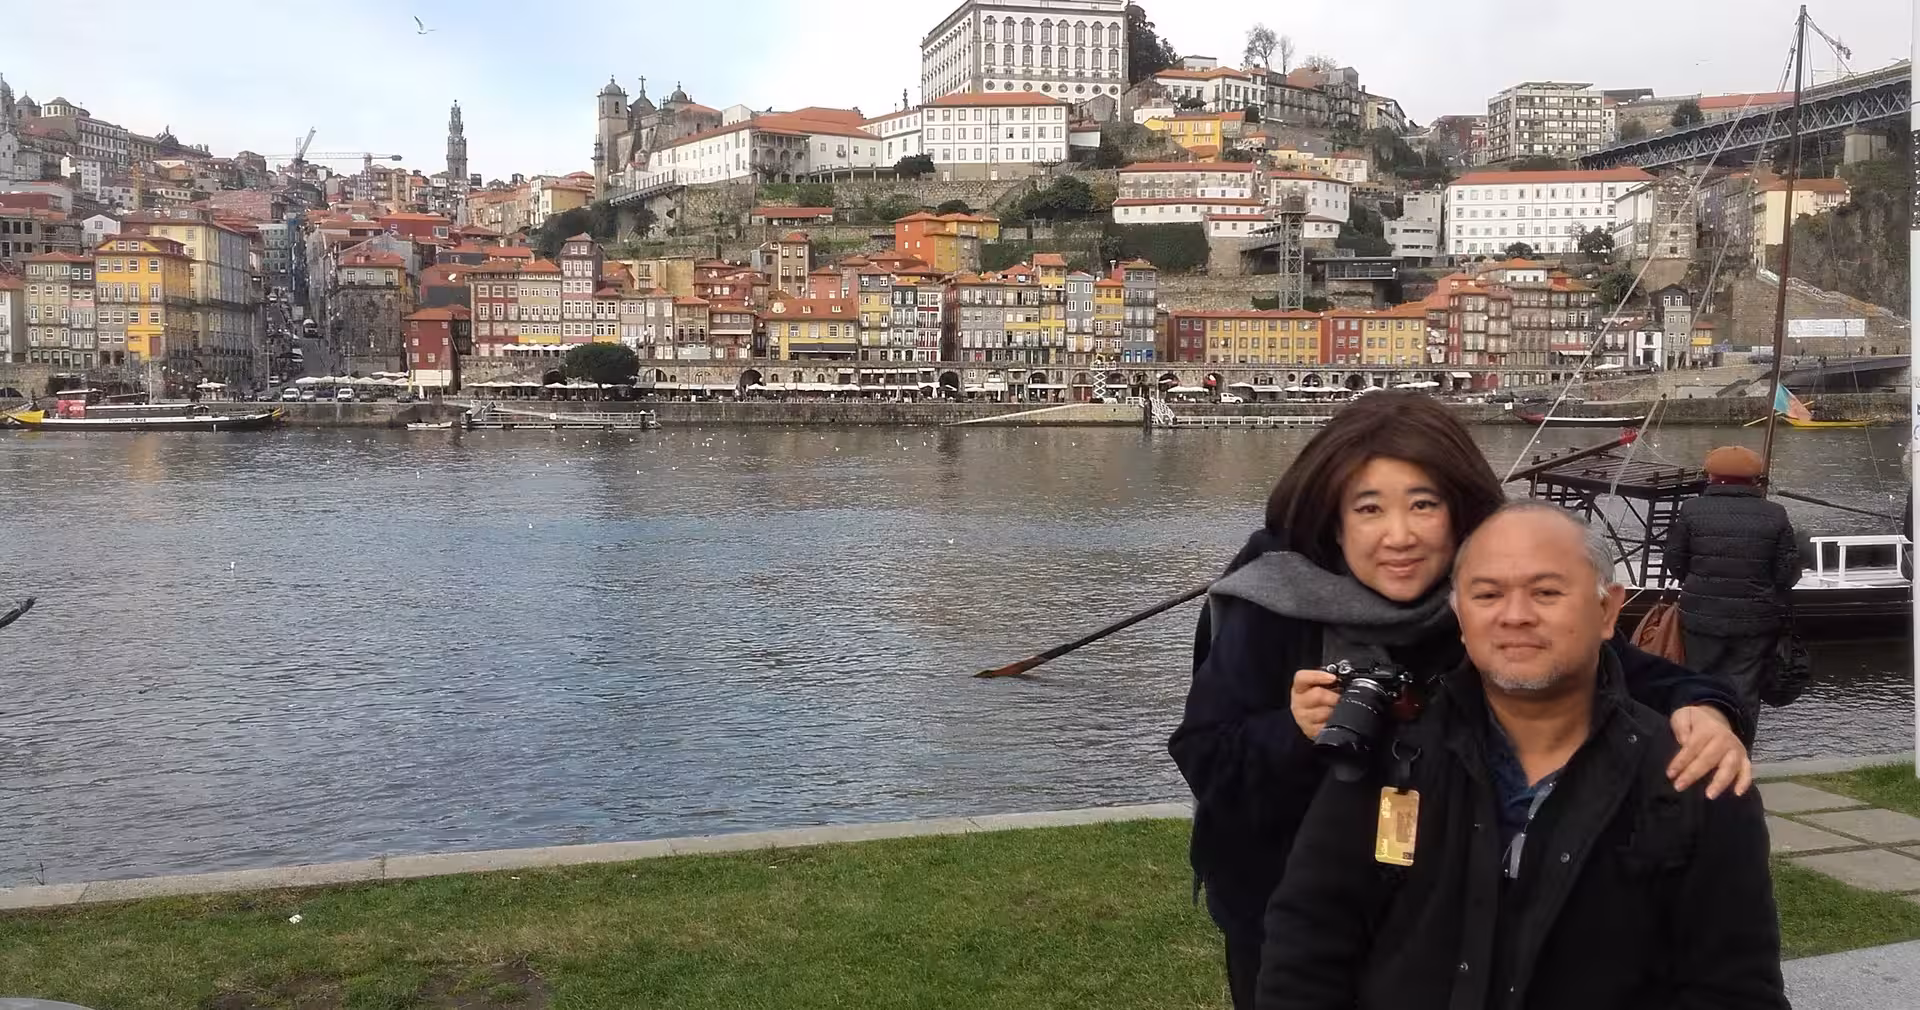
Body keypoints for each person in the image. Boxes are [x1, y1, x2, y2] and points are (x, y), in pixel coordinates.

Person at [1167, 392, 1753, 1010]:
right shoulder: (1275, 601)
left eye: (1424, 505)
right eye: (1369, 509)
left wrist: (1705, 707)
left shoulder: (1486, 595)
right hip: (1280, 896)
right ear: (1335, 521)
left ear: (1459, 512)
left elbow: (1624, 669)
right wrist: (1293, 731)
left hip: (1442, 905)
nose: (1399, 536)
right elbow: (1206, 755)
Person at [1257, 505, 1785, 1009]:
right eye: (1487, 595)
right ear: (1460, 618)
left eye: (1546, 592)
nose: (1515, 616)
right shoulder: (1395, 756)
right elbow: (1307, 945)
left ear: (1607, 610)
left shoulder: (1691, 777)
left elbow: (1733, 990)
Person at [1663, 445, 1799, 744]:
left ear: (1711, 476)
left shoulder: (1692, 509)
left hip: (1701, 616)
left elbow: (1674, 560)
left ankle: (1699, 753)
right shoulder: (1775, 513)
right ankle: (1739, 755)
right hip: (1755, 618)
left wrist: (1698, 583)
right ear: (1755, 479)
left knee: (1699, 684)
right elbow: (1787, 572)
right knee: (1745, 689)